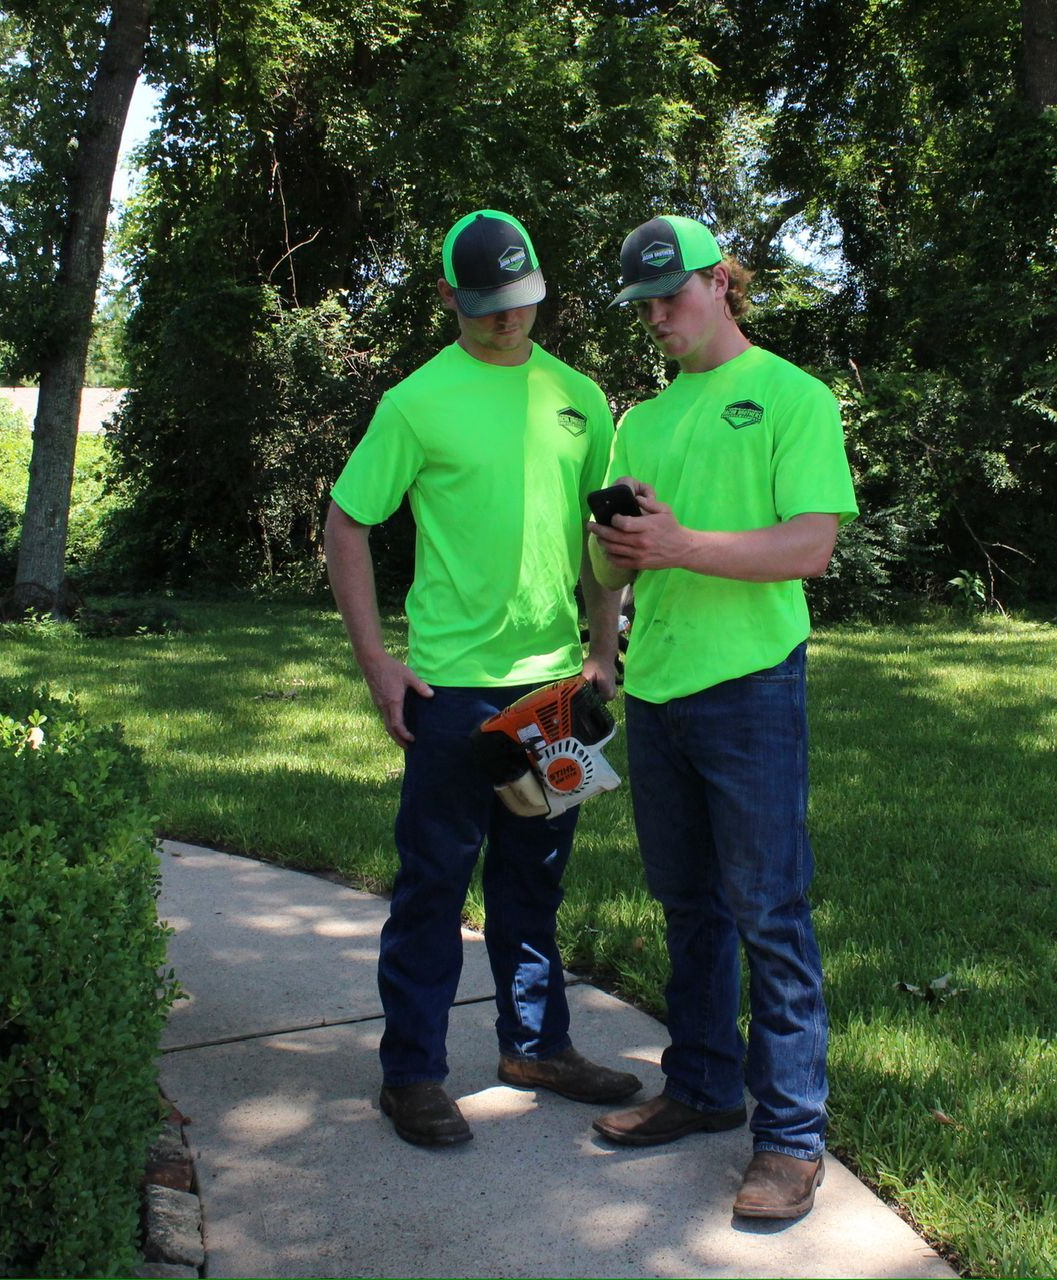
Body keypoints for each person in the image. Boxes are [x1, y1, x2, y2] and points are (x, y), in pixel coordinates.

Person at [325, 209, 639, 1148]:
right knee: (433, 885)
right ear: (449, 299)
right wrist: (378, 661)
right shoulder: (417, 402)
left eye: (525, 302)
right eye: (491, 307)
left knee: (536, 880)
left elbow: (599, 540)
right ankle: (411, 1072)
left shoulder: (579, 396)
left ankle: (535, 1045)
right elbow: (348, 524)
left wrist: (602, 649)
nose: (511, 322)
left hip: (555, 695)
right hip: (452, 693)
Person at [586, 214, 856, 1219]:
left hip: (750, 686)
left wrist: (681, 541)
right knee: (687, 904)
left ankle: (789, 1136)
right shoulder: (640, 421)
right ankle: (700, 1085)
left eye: (672, 294)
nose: (657, 315)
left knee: (769, 909)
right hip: (655, 688)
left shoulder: (792, 395)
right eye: (643, 303)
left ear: (719, 280)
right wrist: (604, 632)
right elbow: (620, 558)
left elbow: (810, 546)